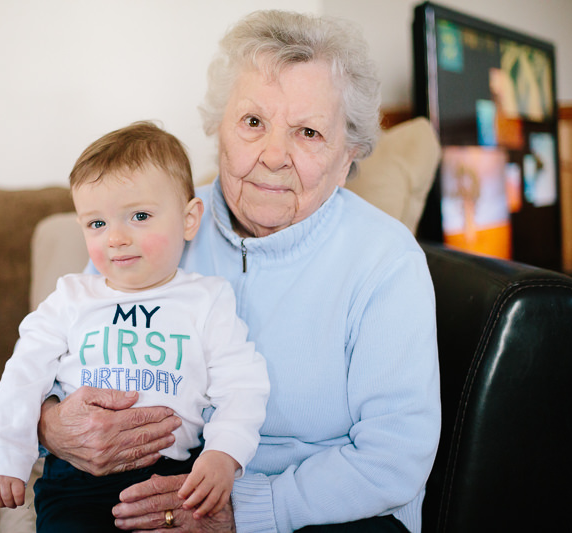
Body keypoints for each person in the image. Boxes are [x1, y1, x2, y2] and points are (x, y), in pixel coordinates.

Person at [35, 9, 441, 533]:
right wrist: (51, 424)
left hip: (331, 513)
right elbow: (50, 349)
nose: (274, 155)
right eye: (253, 123)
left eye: (309, 132)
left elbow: (394, 458)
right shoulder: (154, 224)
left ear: (347, 157)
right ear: (217, 128)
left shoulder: (387, 261)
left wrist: (246, 509)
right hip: (162, 487)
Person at [0, 121, 270, 532]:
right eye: (97, 224)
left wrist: (224, 455)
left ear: (189, 219)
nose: (115, 238)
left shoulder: (208, 300)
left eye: (139, 216)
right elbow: (23, 375)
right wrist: (4, 455)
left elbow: (242, 385)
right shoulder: (71, 298)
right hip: (76, 480)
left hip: (173, 477)